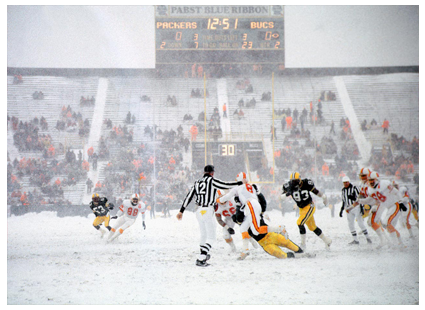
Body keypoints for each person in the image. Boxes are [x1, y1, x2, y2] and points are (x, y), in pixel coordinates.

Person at [218, 172, 305, 259]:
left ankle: (282, 231)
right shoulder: (245, 203)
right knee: (282, 255)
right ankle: (245, 251)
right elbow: (240, 219)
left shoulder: (243, 201)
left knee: (281, 240)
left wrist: (222, 201)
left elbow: (240, 215)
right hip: (263, 242)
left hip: (269, 234)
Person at [177, 165, 241, 267]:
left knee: (203, 234)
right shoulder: (212, 181)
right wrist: (239, 183)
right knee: (211, 237)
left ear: (204, 172)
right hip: (207, 209)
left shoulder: (197, 182)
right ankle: (201, 258)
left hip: (198, 210)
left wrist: (181, 211)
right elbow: (225, 185)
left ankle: (203, 254)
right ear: (212, 173)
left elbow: (189, 196)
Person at [281, 172, 331, 251]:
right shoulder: (289, 186)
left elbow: (316, 191)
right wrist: (284, 195)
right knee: (312, 227)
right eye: (292, 181)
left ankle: (303, 245)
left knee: (299, 222)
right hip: (302, 209)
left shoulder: (306, 183)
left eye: (296, 181)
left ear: (300, 180)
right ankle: (327, 240)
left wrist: (324, 197)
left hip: (309, 206)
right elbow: (282, 196)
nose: (294, 183)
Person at [356, 171, 407, 247]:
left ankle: (398, 242)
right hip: (388, 207)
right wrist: (359, 201)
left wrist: (401, 202)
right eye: (369, 180)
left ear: (377, 179)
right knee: (387, 225)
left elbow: (396, 192)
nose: (371, 182)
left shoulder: (384, 184)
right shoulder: (371, 189)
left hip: (394, 205)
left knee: (386, 223)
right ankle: (397, 242)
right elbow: (369, 200)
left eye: (372, 180)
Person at [340, 176, 372, 245]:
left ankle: (368, 238)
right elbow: (344, 200)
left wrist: (361, 207)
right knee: (350, 224)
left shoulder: (354, 188)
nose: (345, 184)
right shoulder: (343, 190)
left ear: (349, 182)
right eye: (344, 183)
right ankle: (355, 240)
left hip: (356, 207)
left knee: (360, 223)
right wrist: (341, 209)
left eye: (346, 182)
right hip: (348, 208)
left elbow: (360, 197)